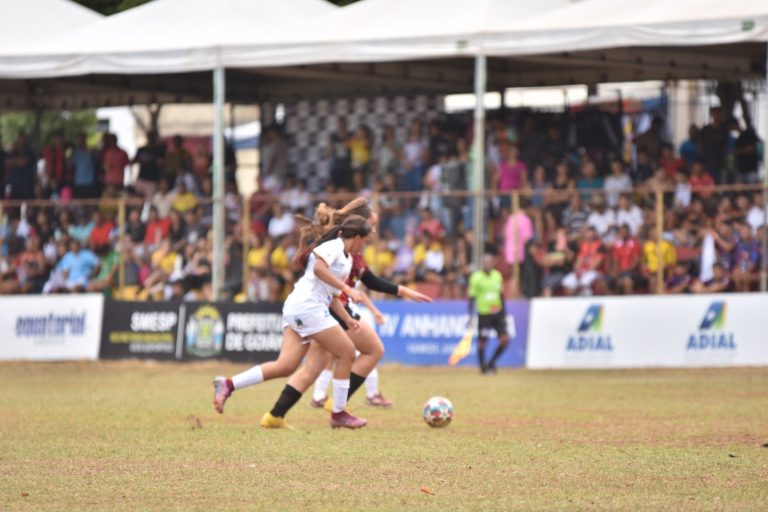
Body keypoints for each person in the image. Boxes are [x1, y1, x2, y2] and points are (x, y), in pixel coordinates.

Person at [264, 198, 432, 426]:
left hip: (328, 306)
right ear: (359, 227)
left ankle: (275, 415)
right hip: (331, 307)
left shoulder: (351, 248)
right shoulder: (342, 246)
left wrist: (403, 290)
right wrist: (346, 293)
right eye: (371, 225)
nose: (373, 229)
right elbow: (327, 271)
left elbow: (369, 280)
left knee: (310, 369)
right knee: (371, 350)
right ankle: (338, 408)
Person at [212, 215, 372, 429]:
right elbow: (318, 269)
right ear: (358, 237)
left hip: (299, 306)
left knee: (286, 366)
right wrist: (347, 288)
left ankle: (228, 384)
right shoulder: (335, 246)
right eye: (366, 240)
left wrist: (347, 319)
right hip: (307, 307)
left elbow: (332, 296)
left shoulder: (347, 259)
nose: (365, 245)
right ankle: (339, 413)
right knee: (348, 353)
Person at [468, 251, 509, 374]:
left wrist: (504, 312)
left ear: (492, 263)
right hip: (484, 313)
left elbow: (501, 295)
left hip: (498, 313)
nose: (487, 264)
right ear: (482, 264)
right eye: (485, 262)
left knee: (505, 339)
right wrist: (471, 315)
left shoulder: (497, 276)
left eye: (489, 262)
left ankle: (491, 363)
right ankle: (482, 367)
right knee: (482, 341)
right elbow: (472, 298)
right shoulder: (476, 277)